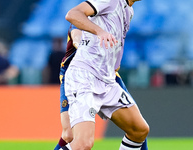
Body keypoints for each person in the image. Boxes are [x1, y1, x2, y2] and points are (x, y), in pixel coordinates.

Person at [61, 0, 149, 149]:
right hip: (85, 76)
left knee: (139, 130)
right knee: (83, 144)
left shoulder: (129, 10)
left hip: (107, 80)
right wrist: (99, 31)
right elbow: (72, 14)